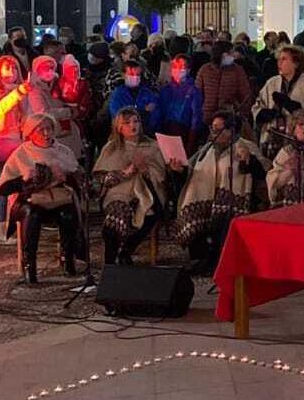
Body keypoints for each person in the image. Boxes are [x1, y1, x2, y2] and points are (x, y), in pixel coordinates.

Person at [0, 114, 85, 284]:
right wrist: (24, 179)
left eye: (49, 129)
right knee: (32, 215)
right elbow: (2, 189)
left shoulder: (63, 151)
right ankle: (30, 264)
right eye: (40, 130)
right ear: (30, 132)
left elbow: (80, 181)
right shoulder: (21, 153)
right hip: (30, 201)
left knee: (69, 212)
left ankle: (68, 258)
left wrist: (66, 177)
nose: (46, 133)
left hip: (58, 199)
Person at [175, 110, 268, 274]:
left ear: (231, 130)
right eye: (213, 129)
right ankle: (203, 258)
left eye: (219, 129)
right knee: (193, 211)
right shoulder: (206, 149)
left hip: (233, 198)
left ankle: (218, 260)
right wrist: (178, 170)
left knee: (223, 213)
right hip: (205, 197)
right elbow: (189, 170)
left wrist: (249, 160)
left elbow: (261, 172)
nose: (214, 133)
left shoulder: (245, 146)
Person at [91, 107, 172, 266]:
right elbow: (102, 179)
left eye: (136, 121)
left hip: (146, 192)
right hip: (119, 193)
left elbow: (161, 177)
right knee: (117, 215)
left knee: (150, 213)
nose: (132, 126)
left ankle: (126, 250)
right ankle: (110, 263)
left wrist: (144, 170)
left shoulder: (153, 146)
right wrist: (125, 173)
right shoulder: (111, 148)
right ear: (119, 127)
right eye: (127, 123)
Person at [25, 55, 84, 159]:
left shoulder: (58, 83)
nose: (49, 70)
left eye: (51, 67)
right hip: (46, 131)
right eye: (45, 67)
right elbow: (42, 112)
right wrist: (68, 111)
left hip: (65, 131)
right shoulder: (34, 90)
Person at [195, 41, 253, 129]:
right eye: (231, 53)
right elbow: (197, 94)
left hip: (229, 119)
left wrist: (241, 115)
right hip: (207, 119)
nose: (233, 56)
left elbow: (245, 96)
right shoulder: (205, 70)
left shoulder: (237, 71)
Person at [157, 54, 205, 152]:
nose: (178, 70)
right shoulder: (165, 90)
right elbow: (159, 113)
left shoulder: (193, 91)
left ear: (188, 70)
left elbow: (196, 116)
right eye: (175, 66)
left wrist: (191, 141)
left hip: (185, 132)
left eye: (182, 67)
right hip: (165, 131)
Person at [106, 60, 161, 134]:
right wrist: (143, 111)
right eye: (131, 74)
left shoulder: (147, 93)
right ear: (123, 74)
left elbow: (155, 115)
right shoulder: (117, 95)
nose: (135, 77)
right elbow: (119, 117)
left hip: (146, 134)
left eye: (138, 74)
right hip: (123, 136)